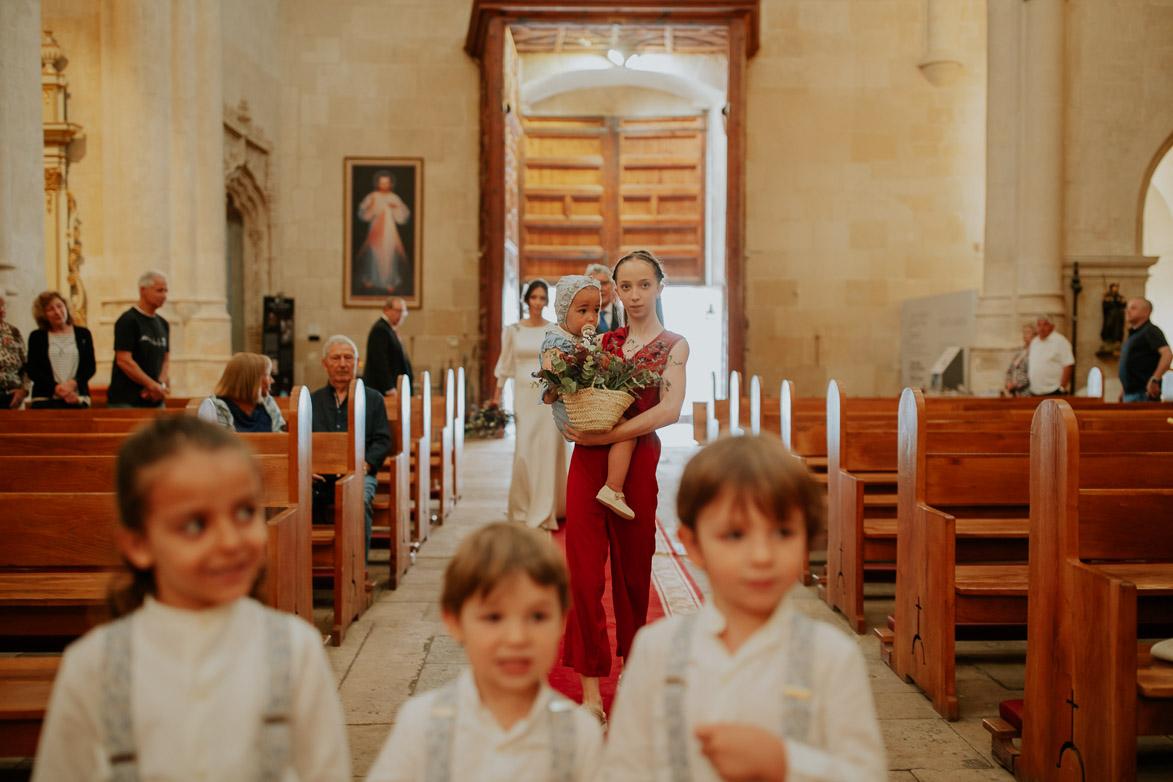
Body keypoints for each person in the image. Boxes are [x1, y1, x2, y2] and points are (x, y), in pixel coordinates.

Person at [31, 416, 350, 781]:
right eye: (195, 524)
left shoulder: (295, 650)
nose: (230, 542)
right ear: (138, 544)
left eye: (245, 512)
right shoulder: (93, 667)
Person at [599, 436, 886, 782]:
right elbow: (623, 769)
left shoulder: (831, 657)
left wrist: (784, 762)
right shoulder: (657, 650)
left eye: (782, 532)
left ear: (806, 540)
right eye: (735, 535)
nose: (761, 556)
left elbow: (865, 772)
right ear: (693, 545)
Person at [366, 523, 603, 782]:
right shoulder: (421, 725)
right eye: (493, 617)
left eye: (537, 616)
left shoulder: (579, 736)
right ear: (455, 622)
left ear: (561, 621)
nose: (516, 638)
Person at [560, 249, 690, 719]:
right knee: (583, 573)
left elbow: (669, 411)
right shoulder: (601, 340)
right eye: (626, 286)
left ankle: (635, 676)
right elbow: (567, 388)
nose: (635, 295)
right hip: (587, 462)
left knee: (633, 577)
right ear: (615, 290)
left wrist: (612, 434)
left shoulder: (674, 345)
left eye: (644, 285)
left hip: (637, 466)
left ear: (659, 287)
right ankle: (591, 692)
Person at [541, 275, 636, 520]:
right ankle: (613, 488)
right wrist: (568, 363)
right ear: (563, 312)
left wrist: (602, 361)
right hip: (572, 412)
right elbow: (551, 377)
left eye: (595, 310)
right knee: (628, 430)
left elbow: (593, 367)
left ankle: (611, 487)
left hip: (587, 403)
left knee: (626, 427)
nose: (591, 318)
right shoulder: (555, 341)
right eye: (582, 310)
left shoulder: (584, 338)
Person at [492, 279, 569, 531]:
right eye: (534, 297)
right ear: (526, 300)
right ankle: (524, 505)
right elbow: (504, 366)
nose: (538, 302)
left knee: (548, 447)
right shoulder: (512, 330)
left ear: (547, 301)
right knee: (524, 449)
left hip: (547, 394)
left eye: (542, 298)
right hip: (523, 397)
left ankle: (550, 505)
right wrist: (496, 397)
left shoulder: (554, 329)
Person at [311, 335, 391, 559]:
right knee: (294, 502)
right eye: (336, 358)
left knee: (359, 500)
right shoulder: (312, 400)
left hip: (359, 473)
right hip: (320, 476)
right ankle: (304, 567)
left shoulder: (373, 399)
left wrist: (364, 466)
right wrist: (307, 470)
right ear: (325, 364)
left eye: (349, 358)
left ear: (357, 362)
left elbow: (382, 439)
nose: (343, 364)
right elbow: (301, 441)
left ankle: (357, 569)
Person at [108, 270, 170, 408]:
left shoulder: (163, 323)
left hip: (154, 399)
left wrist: (159, 385)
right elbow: (124, 360)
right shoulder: (128, 320)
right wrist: (151, 385)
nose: (164, 296)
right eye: (159, 290)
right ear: (143, 290)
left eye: (166, 291)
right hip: (127, 401)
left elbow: (166, 359)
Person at [25, 291, 96, 409]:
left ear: (66, 307)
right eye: (50, 309)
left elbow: (90, 367)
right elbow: (33, 369)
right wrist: (57, 388)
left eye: (59, 306)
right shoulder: (37, 336)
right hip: (45, 399)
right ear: (44, 315)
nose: (57, 312)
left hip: (77, 397)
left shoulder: (83, 334)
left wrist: (72, 385)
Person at [198, 352, 286, 432]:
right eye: (267, 375)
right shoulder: (216, 407)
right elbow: (221, 445)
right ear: (251, 380)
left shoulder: (268, 402)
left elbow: (281, 438)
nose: (272, 380)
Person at [356, 170, 412, 295]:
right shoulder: (372, 196)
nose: (384, 185)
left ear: (390, 184)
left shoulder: (394, 198)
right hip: (375, 231)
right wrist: (370, 207)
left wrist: (396, 208)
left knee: (389, 254)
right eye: (382, 182)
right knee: (374, 254)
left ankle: (389, 282)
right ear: (378, 183)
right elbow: (363, 213)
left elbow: (404, 215)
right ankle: (372, 279)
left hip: (389, 232)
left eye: (387, 183)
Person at [1118, 297, 1171, 402]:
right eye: (1127, 308)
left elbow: (1167, 354)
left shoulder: (1150, 330)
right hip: (1130, 393)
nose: (1127, 311)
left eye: (1133, 308)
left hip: (1143, 394)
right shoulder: (1134, 334)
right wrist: (1124, 389)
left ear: (1146, 312)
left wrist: (1155, 379)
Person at [363, 296, 414, 395]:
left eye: (403, 312)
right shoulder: (380, 329)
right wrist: (389, 388)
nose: (401, 315)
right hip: (383, 391)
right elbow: (380, 362)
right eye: (398, 311)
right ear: (387, 309)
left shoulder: (390, 329)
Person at [1027, 314, 1074, 396]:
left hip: (1054, 390)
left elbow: (1068, 364)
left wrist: (1062, 387)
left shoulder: (1060, 341)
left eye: (1045, 325)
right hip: (1034, 391)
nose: (1041, 329)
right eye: (1039, 325)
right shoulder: (1034, 342)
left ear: (1052, 326)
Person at [0, 293, 29, 409]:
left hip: (12, 399)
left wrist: (23, 391)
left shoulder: (13, 332)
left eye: (3, 305)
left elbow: (26, 366)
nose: (2, 310)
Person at [585, 262, 622, 334]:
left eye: (604, 283)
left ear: (612, 285)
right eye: (595, 284)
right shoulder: (581, 317)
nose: (600, 288)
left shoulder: (625, 314)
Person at [1003, 321, 1036, 397]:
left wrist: (1015, 385)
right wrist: (1008, 382)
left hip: (1026, 392)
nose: (1025, 335)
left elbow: (1031, 373)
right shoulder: (1020, 351)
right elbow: (1010, 369)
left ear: (1034, 335)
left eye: (1028, 333)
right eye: (1024, 333)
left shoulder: (1034, 352)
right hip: (1015, 392)